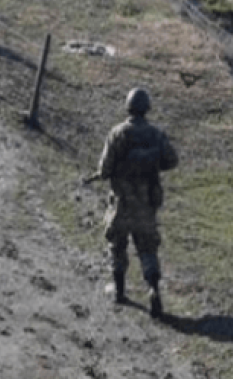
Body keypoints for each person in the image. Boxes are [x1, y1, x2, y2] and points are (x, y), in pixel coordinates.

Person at [89, 87, 179, 317]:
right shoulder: (156, 135)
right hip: (146, 204)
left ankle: (119, 292)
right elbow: (171, 160)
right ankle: (153, 289)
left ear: (128, 107)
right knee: (148, 249)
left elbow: (105, 169)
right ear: (146, 108)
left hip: (121, 203)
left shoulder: (117, 133)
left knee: (117, 247)